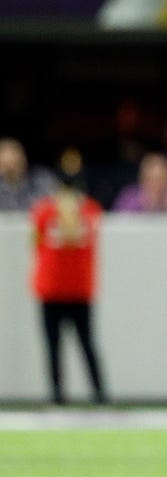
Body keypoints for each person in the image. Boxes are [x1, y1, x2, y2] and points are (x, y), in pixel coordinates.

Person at [29, 171, 107, 405]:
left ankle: (99, 392)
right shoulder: (44, 211)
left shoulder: (89, 210)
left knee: (86, 343)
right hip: (52, 289)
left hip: (78, 290)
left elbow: (75, 235)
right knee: (54, 346)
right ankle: (57, 394)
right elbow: (38, 242)